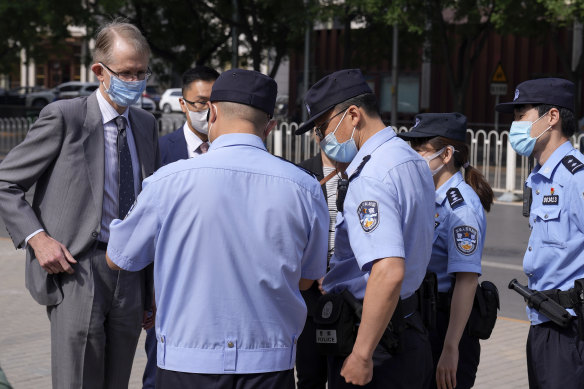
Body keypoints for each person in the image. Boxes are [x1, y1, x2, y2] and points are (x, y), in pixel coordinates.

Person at [106, 68, 329, 388]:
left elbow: (119, 257)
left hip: (187, 361)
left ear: (211, 112)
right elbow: (308, 278)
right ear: (270, 127)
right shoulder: (305, 187)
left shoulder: (168, 182)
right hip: (269, 362)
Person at [0, 19, 159, 388]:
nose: (135, 81)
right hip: (78, 269)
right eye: (126, 73)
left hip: (130, 270)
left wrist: (150, 290)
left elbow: (151, 204)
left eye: (141, 72)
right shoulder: (65, 117)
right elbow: (6, 182)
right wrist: (39, 239)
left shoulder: (145, 124)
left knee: (117, 379)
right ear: (99, 71)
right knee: (78, 380)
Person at [295, 68, 435, 388]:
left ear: (353, 115)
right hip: (407, 325)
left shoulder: (370, 177)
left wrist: (361, 354)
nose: (322, 139)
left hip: (376, 340)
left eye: (323, 127)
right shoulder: (408, 158)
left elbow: (388, 270)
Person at [495, 78, 584, 389]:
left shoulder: (576, 178)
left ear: (552, 117)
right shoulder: (539, 177)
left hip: (571, 328)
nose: (515, 125)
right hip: (543, 323)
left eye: (522, 115)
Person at [399, 113, 493, 389]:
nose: (414, 156)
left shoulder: (460, 207)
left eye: (420, 149)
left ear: (446, 154)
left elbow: (466, 280)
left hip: (446, 325)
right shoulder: (428, 195)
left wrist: (451, 348)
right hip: (422, 319)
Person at [142, 65, 219, 389]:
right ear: (183, 104)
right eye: (200, 102)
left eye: (214, 103)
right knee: (160, 374)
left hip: (220, 290)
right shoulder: (158, 151)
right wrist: (148, 294)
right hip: (168, 292)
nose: (207, 111)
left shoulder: (237, 152)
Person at [296, 146, 346, 389]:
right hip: (310, 296)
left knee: (344, 375)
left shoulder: (358, 171)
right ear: (317, 134)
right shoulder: (302, 173)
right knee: (310, 374)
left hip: (347, 296)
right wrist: (314, 270)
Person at [158, 66, 220, 164]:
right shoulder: (160, 148)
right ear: (183, 104)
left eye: (216, 101)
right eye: (202, 102)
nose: (211, 109)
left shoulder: (232, 148)